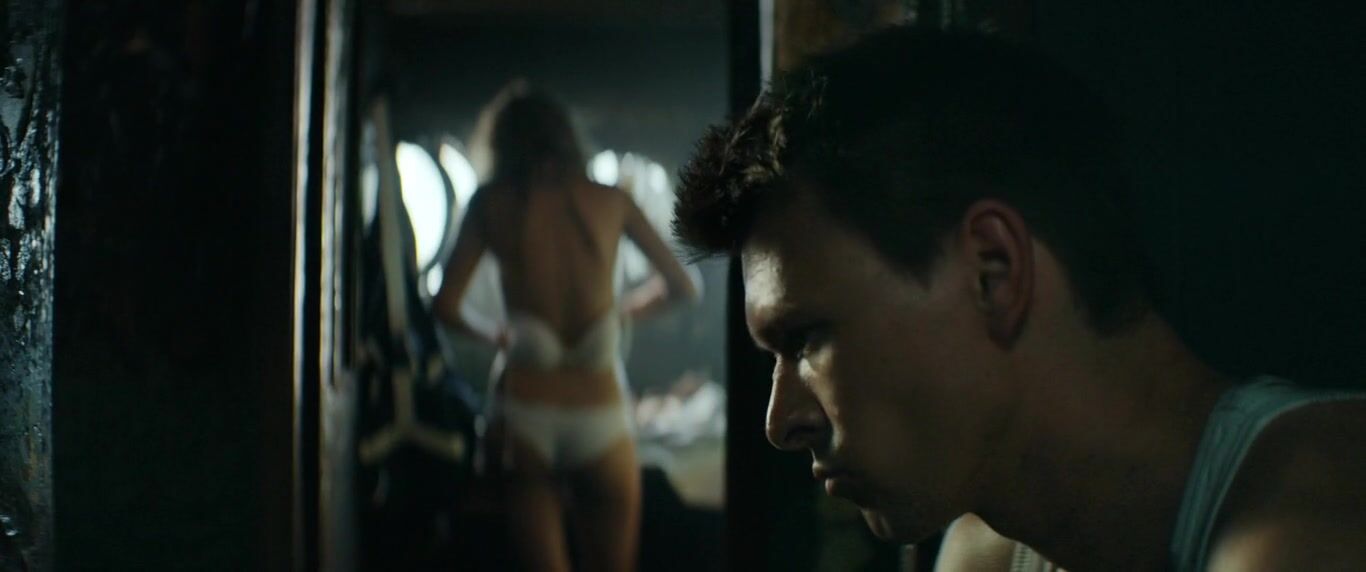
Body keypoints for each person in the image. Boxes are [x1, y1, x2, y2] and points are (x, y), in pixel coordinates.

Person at [671, 26, 1366, 571]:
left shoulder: (1321, 516)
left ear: (994, 273)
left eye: (806, 338)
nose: (781, 422)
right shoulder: (988, 549)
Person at [433, 82, 699, 571]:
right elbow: (685, 287)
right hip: (602, 421)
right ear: (567, 136)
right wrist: (621, 313)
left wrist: (497, 335)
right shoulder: (610, 201)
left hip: (526, 421)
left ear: (501, 144)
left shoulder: (491, 204)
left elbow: (445, 306)